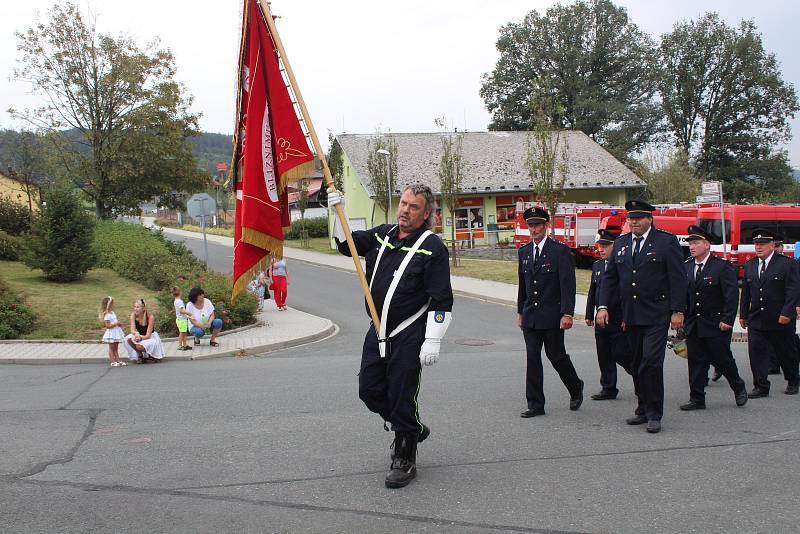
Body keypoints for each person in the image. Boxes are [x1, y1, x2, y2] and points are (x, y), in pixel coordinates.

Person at [327, 183, 453, 489]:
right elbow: (347, 246)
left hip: (410, 333)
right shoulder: (382, 234)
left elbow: (442, 300)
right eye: (403, 203)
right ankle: (411, 427)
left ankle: (404, 454)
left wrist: (433, 339)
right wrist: (334, 211)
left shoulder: (433, 248)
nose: (405, 210)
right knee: (369, 389)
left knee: (401, 392)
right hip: (378, 329)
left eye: (413, 207)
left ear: (426, 215)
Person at [596, 200, 687, 434]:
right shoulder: (622, 243)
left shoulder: (666, 242)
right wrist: (603, 306)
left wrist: (678, 311)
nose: (634, 222)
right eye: (631, 218)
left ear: (650, 219)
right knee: (636, 362)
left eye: (639, 218)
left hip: (657, 313)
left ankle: (654, 413)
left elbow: (677, 278)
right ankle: (642, 407)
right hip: (631, 314)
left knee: (651, 362)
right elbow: (610, 279)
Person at [517, 206, 583, 418]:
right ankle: (535, 404)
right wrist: (520, 312)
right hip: (531, 316)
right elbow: (523, 285)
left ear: (547, 226)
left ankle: (575, 386)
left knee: (556, 356)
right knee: (532, 358)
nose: (534, 229)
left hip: (552, 315)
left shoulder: (559, 251)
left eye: (537, 225)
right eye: (531, 225)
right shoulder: (524, 251)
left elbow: (567, 285)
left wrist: (567, 313)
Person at [679, 226, 748, 410]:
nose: (692, 247)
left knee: (722, 359)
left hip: (716, 323)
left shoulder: (721, 267)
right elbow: (683, 296)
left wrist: (727, 319)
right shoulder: (686, 266)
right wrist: (680, 317)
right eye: (690, 243)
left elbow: (731, 295)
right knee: (695, 361)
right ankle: (697, 398)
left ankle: (738, 387)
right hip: (694, 323)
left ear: (707, 245)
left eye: (696, 243)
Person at [739, 229, 800, 397]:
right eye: (756, 244)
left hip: (780, 317)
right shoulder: (751, 265)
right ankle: (761, 385)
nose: (758, 247)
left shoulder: (787, 264)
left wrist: (787, 312)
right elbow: (746, 292)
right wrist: (743, 314)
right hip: (757, 317)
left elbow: (793, 290)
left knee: (785, 351)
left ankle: (793, 379)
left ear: (772, 246)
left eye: (763, 244)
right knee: (756, 352)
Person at [585, 229, 635, 400]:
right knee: (604, 354)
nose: (602, 249)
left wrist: (627, 317)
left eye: (606, 246)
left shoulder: (623, 266)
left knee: (622, 353)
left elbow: (628, 294)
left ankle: (638, 375)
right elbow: (593, 292)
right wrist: (589, 314)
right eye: (600, 246)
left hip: (618, 317)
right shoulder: (597, 266)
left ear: (616, 246)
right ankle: (608, 387)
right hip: (601, 318)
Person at [123, 299, 165, 363]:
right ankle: (140, 355)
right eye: (134, 307)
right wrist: (136, 334)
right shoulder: (133, 315)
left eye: (137, 307)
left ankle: (152, 354)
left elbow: (148, 335)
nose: (135, 309)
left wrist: (140, 337)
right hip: (140, 335)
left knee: (139, 346)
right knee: (128, 339)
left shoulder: (150, 317)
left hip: (151, 337)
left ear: (143, 308)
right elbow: (132, 330)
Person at [99, 296, 126, 368]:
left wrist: (119, 324)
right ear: (108, 305)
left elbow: (115, 321)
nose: (113, 305)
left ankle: (118, 360)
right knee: (111, 348)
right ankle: (112, 361)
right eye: (112, 304)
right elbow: (107, 326)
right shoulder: (107, 315)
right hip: (111, 333)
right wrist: (115, 324)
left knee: (116, 348)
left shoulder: (113, 313)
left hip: (116, 332)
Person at [172, 287, 192, 351]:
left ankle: (185, 345)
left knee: (184, 333)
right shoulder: (180, 302)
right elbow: (181, 311)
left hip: (180, 319)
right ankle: (180, 345)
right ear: (180, 293)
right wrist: (189, 313)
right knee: (182, 333)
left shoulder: (176, 301)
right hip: (182, 319)